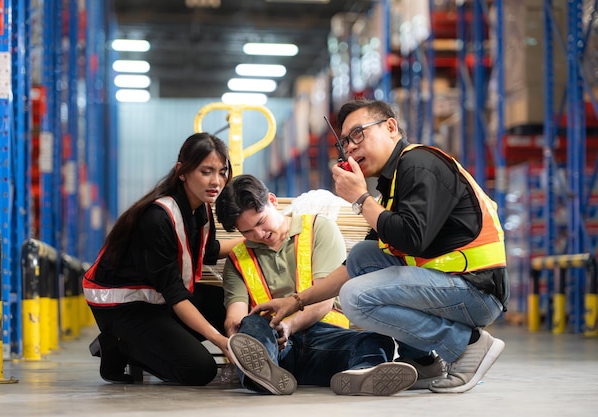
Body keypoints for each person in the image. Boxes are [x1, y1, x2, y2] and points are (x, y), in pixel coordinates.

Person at [250, 99, 509, 394]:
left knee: (356, 297)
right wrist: (296, 301)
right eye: (345, 141)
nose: (349, 147)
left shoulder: (419, 163)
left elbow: (412, 237)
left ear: (390, 127)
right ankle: (423, 361)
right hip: (453, 285)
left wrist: (361, 199)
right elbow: (355, 266)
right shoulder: (392, 185)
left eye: (358, 134)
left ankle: (469, 346)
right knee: (364, 255)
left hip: (477, 290)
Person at [214, 174, 419, 396]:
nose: (259, 235)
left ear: (272, 201)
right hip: (274, 346)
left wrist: (289, 325)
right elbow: (235, 315)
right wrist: (236, 332)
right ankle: (263, 374)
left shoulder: (319, 229)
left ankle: (362, 374)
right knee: (251, 324)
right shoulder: (237, 259)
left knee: (374, 340)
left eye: (261, 222)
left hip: (325, 339)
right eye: (247, 232)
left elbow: (325, 299)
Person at [82, 132, 242, 385]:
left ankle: (156, 341)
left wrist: (255, 237)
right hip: (124, 308)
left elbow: (208, 251)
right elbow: (176, 296)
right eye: (206, 171)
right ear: (182, 171)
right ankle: (119, 346)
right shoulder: (157, 218)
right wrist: (221, 341)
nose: (217, 181)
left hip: (158, 298)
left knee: (230, 305)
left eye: (222, 172)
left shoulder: (200, 207)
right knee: (199, 370)